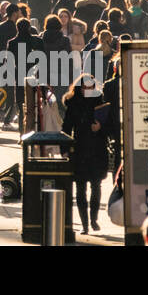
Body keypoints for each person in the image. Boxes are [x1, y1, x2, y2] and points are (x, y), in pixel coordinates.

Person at [62, 73, 108, 234]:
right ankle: (85, 224)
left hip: (97, 149)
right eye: (84, 88)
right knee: (80, 189)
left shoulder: (100, 102)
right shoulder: (73, 104)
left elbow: (110, 126)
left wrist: (100, 128)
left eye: (90, 87)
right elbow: (66, 128)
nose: (87, 90)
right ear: (79, 88)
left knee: (96, 186)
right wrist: (65, 150)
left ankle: (94, 219)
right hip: (80, 149)